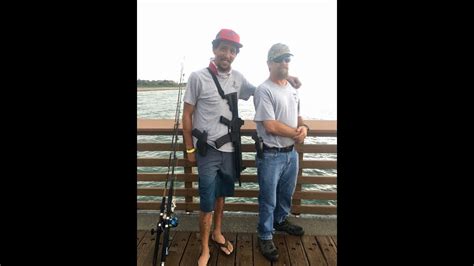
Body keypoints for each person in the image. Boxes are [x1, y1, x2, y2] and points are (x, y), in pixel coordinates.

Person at [182, 29, 301, 266]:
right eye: (223, 48)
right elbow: (187, 115)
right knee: (206, 201)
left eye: (232, 50)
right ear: (214, 49)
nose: (227, 54)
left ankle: (217, 233)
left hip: (230, 151)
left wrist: (289, 78)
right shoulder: (197, 77)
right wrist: (189, 150)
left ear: (236, 54)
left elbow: (264, 91)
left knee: (221, 197)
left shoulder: (238, 77)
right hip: (206, 151)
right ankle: (204, 249)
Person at [253, 43, 309, 262]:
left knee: (286, 194)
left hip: (291, 153)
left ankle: (280, 221)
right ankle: (265, 234)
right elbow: (270, 125)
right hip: (270, 155)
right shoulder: (264, 89)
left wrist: (305, 128)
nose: (284, 62)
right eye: (279, 59)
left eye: (287, 59)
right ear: (269, 63)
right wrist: (297, 132)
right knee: (268, 198)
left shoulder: (292, 88)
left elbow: (299, 116)